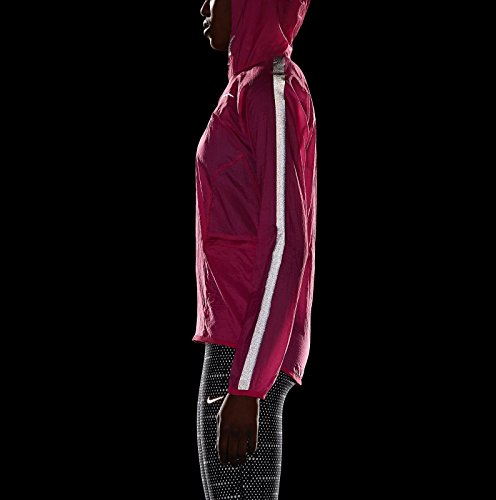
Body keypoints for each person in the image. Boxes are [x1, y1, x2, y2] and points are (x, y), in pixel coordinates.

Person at [194, 1, 316, 498]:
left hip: (247, 352)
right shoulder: (247, 87)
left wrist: (247, 385)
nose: (206, 7)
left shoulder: (270, 87)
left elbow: (288, 240)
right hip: (238, 343)